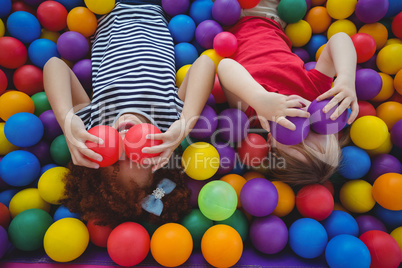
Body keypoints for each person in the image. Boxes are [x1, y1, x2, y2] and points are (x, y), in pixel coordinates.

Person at [44, 0, 215, 225]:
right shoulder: (170, 121)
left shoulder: (93, 124)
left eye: (115, 156)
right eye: (140, 156)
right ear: (160, 158)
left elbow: (54, 65)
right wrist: (184, 126)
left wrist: (67, 121)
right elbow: (205, 64)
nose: (125, 140)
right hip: (155, 7)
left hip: (106, 8)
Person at [217, 0, 358, 185]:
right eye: (318, 127)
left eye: (294, 131)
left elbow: (225, 67)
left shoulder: (257, 114)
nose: (303, 116)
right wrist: (346, 78)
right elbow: (339, 39)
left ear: (271, 140)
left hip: (225, 23)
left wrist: (258, 98)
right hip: (267, 15)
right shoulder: (316, 94)